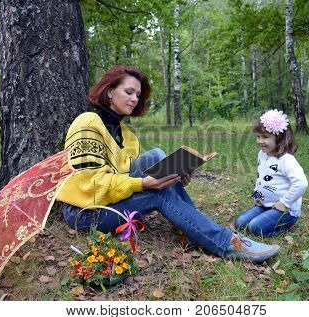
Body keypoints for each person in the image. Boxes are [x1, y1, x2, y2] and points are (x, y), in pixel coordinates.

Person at [56, 65, 280, 263]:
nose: (134, 99)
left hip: (108, 198)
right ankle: (224, 243)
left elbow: (125, 178)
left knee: (157, 156)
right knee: (158, 193)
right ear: (110, 91)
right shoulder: (88, 123)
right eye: (129, 92)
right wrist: (144, 184)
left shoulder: (128, 135)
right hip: (85, 211)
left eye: (138, 94)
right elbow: (90, 185)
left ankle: (192, 230)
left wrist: (174, 174)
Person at [235, 109, 308, 237]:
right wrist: (258, 196)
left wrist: (284, 203)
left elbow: (301, 183)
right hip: (265, 205)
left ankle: (287, 226)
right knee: (240, 222)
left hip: (285, 210)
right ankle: (265, 216)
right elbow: (261, 178)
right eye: (258, 136)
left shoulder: (286, 160)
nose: (260, 141)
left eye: (265, 137)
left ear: (279, 138)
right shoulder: (262, 155)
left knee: (255, 228)